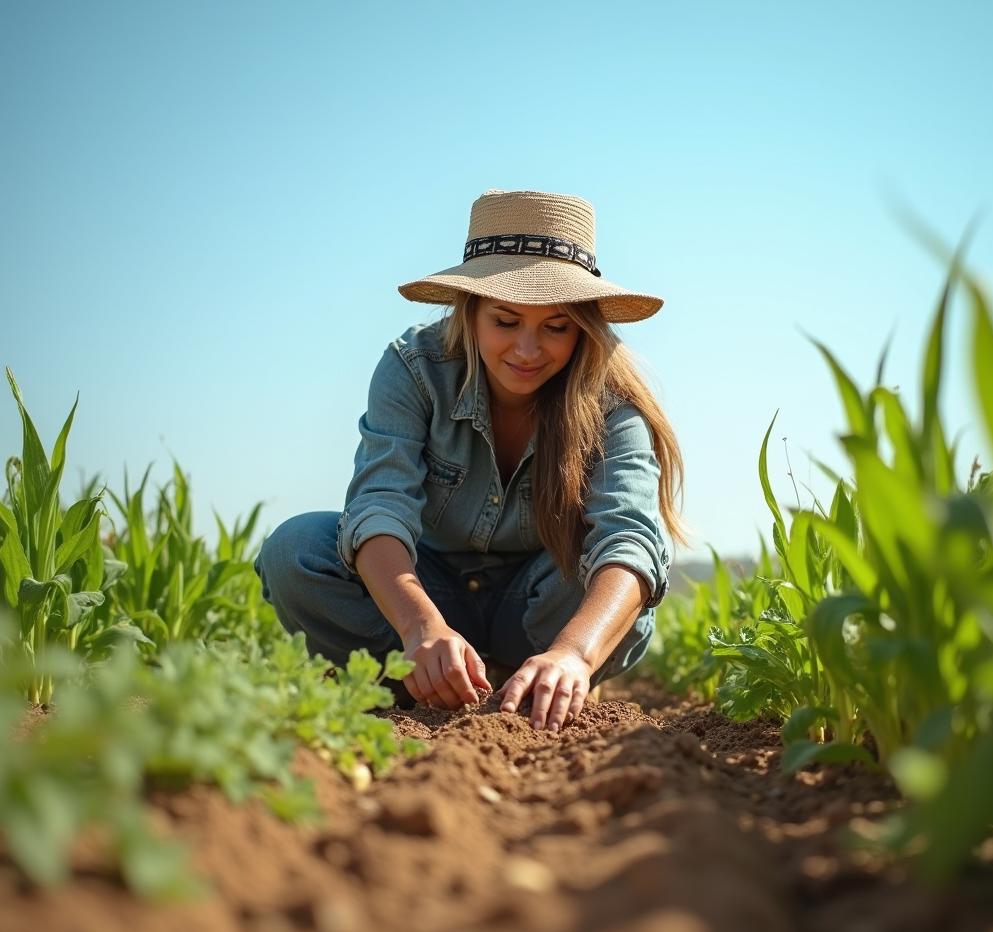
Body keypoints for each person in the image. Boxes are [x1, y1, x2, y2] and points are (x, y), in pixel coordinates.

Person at [254, 188, 684, 733]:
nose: (527, 350)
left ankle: (538, 676)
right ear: (470, 310)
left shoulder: (612, 400)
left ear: (582, 327)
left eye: (555, 327)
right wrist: (420, 628)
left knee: (626, 605)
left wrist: (574, 651)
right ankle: (424, 674)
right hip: (427, 587)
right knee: (296, 550)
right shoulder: (414, 369)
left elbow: (630, 538)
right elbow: (379, 507)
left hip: (537, 607)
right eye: (505, 321)